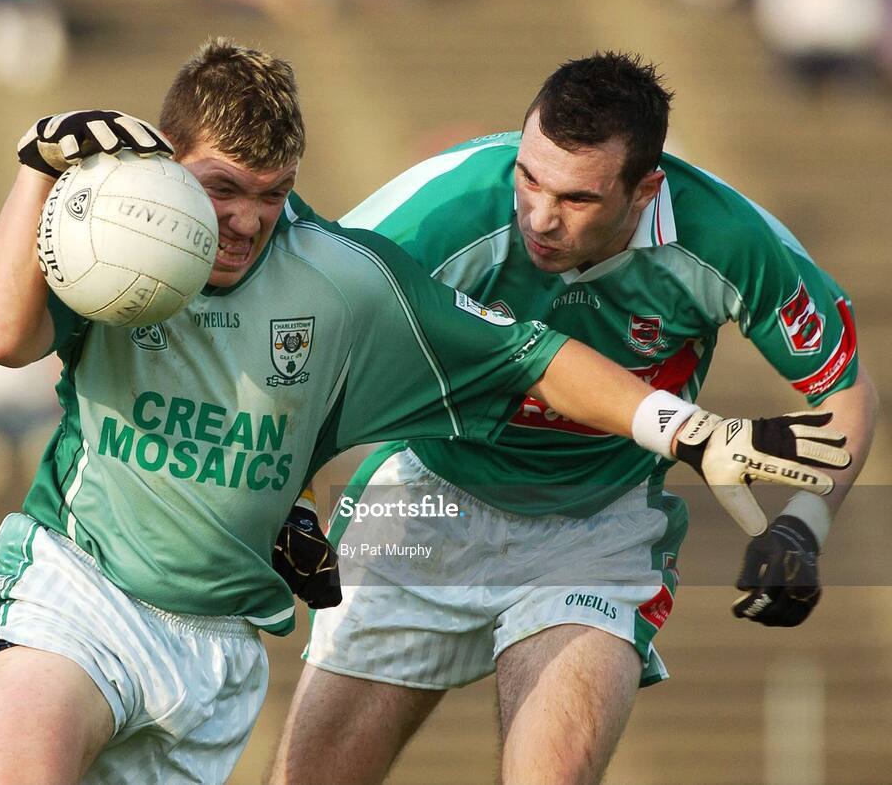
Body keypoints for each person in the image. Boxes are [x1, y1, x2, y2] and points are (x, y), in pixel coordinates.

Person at [0, 40, 849, 785]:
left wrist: (739, 468)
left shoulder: (344, 274)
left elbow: (533, 357)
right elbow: (3, 337)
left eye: (272, 194)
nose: (539, 215)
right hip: (164, 571)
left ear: (643, 190)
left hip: (579, 529)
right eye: (221, 188)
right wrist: (37, 172)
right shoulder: (140, 228)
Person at [270, 52, 878, 785]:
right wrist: (290, 490)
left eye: (577, 198)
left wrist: (805, 525)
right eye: (529, 178)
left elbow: (845, 392)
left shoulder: (729, 238)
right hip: (431, 493)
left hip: (598, 526)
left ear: (645, 189)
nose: (539, 216)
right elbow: (295, 333)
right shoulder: (446, 206)